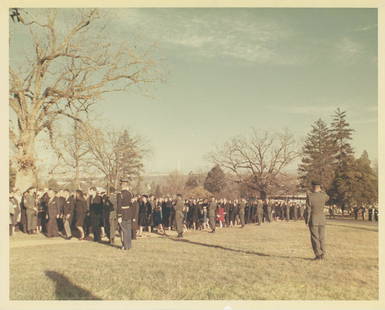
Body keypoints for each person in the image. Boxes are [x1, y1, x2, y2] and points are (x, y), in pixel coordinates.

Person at [306, 181, 329, 260]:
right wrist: (321, 191)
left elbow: (308, 210)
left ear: (313, 186)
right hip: (322, 219)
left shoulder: (310, 196)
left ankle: (318, 254)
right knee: (322, 237)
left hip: (313, 218)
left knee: (315, 237)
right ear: (319, 186)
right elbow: (327, 197)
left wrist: (307, 220)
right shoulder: (323, 195)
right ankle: (323, 253)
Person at [117, 180, 133, 251]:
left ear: (122, 186)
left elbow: (119, 205)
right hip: (129, 212)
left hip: (123, 213)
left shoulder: (120, 194)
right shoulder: (130, 193)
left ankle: (125, 245)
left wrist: (119, 216)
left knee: (123, 230)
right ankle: (129, 245)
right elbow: (131, 204)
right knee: (128, 230)